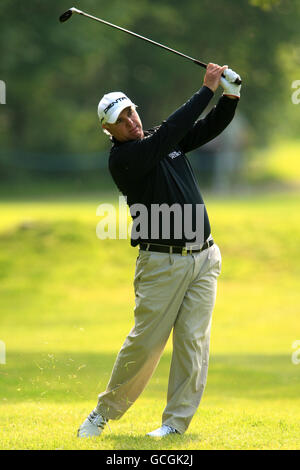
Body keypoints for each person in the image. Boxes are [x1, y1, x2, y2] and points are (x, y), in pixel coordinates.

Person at [77, 63, 241, 438]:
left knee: (193, 344)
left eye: (131, 111)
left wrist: (230, 97)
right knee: (146, 345)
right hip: (161, 263)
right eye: (121, 119)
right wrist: (206, 90)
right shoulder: (125, 159)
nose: (131, 120)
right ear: (109, 129)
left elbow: (203, 129)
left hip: (204, 258)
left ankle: (174, 424)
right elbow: (172, 131)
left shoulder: (160, 141)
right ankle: (103, 413)